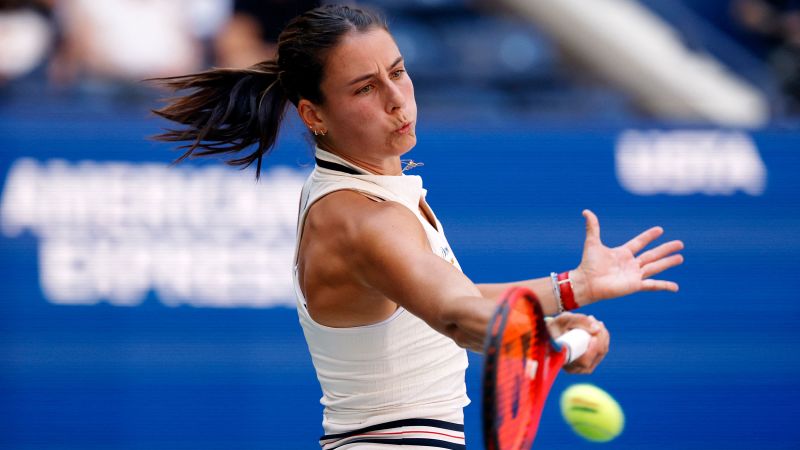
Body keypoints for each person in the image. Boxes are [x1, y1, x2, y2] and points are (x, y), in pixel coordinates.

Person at [151, 4, 684, 448]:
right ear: (314, 114)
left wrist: (574, 289)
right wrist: (540, 336)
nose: (395, 98)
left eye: (398, 72)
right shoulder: (362, 219)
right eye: (364, 89)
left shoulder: (370, 196)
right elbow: (454, 315)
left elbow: (446, 298)